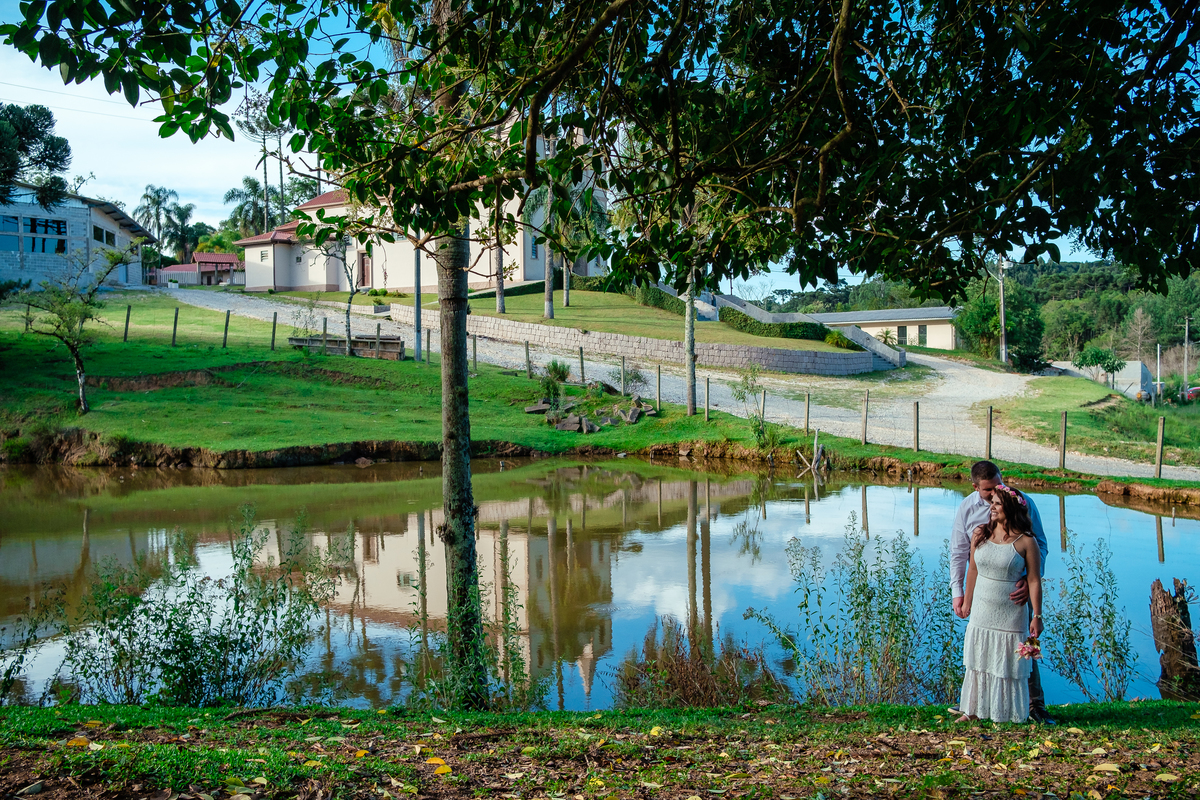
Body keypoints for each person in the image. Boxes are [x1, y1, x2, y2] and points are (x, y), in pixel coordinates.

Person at [949, 461, 1053, 723]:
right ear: (975, 487)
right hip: (984, 600)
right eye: (989, 492)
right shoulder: (969, 513)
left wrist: (1028, 582)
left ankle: (1033, 706)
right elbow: (961, 555)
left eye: (999, 487)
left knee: (1018, 654)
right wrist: (960, 595)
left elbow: (1040, 547)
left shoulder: (1023, 507)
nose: (994, 496)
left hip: (1015, 595)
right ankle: (975, 707)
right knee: (981, 653)